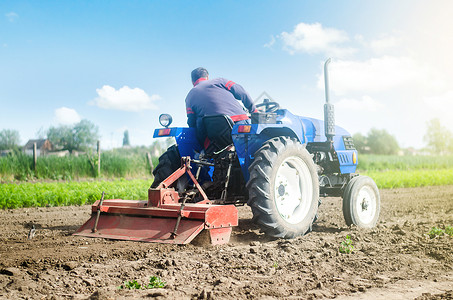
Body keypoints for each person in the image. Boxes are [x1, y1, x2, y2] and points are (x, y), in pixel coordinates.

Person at [185, 67, 257, 129]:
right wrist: (253, 111)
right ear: (207, 77)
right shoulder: (220, 81)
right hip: (239, 122)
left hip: (214, 133)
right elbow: (242, 93)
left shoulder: (189, 97)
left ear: (192, 81)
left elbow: (191, 121)